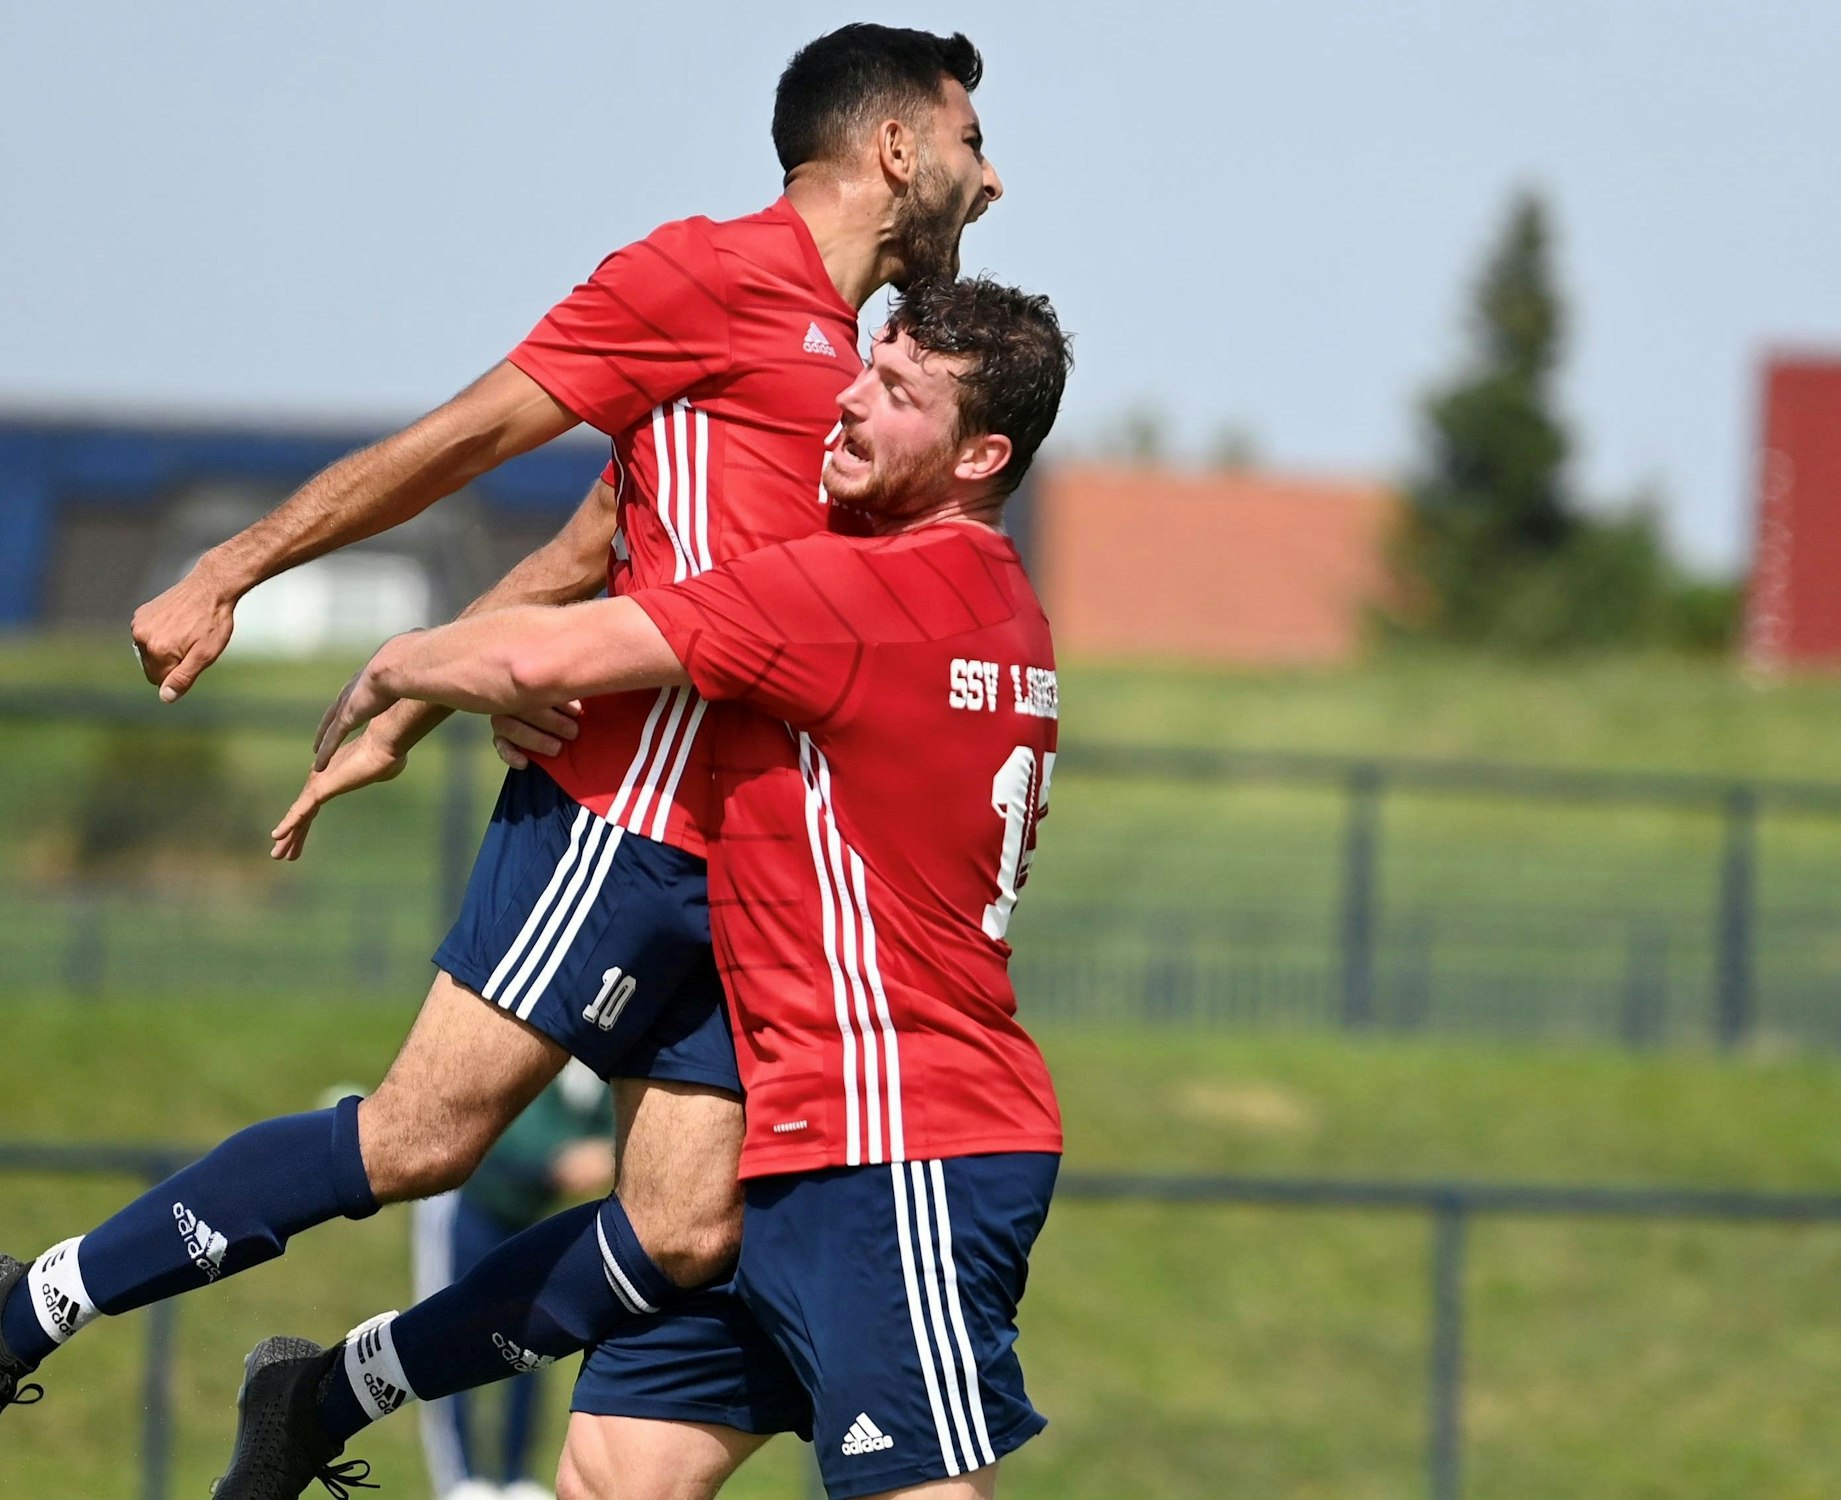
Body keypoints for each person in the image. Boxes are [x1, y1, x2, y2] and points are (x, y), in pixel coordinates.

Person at [0, 26, 1004, 1493]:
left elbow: (592, 542)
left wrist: (410, 715)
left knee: (683, 1228)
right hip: (622, 822)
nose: (994, 178)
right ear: (897, 148)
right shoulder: (704, 272)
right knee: (420, 1140)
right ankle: (30, 1306)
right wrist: (230, 569)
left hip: (752, 877)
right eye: (973, 141)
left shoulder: (855, 377)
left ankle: (323, 1395)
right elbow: (466, 438)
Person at [248, 274, 1072, 1500]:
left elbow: (540, 651)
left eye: (898, 392)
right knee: (613, 1475)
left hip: (899, 1147)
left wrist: (396, 673)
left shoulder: (866, 594)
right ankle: (329, 1396)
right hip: (780, 1151)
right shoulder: (979, 598)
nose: (848, 399)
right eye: (865, 364)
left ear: (980, 457)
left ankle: (325, 1394)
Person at [416, 1061, 613, 1500]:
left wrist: (609, 1153)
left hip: (530, 1213)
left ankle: (515, 1476)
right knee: (445, 1334)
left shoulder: (607, 1063)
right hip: (470, 1199)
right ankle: (460, 1479)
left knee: (532, 1338)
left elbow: (621, 1125)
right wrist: (557, 1157)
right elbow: (490, 1115)